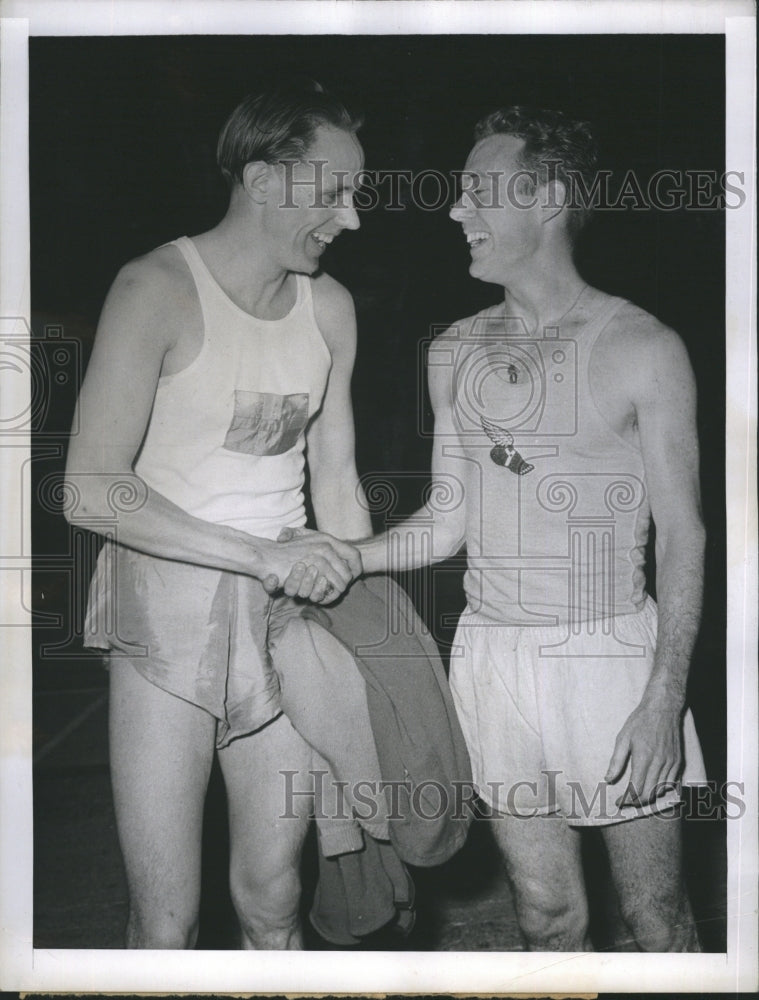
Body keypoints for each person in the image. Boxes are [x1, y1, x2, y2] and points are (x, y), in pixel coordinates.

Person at [354, 107, 707, 951]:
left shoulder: (642, 347)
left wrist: (663, 699)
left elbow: (684, 536)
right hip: (490, 656)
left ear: (546, 199)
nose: (455, 211)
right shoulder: (455, 350)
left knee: (655, 919)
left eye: (477, 191)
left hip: (608, 658)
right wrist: (345, 555)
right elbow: (446, 521)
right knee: (545, 915)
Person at [65, 81, 367, 949]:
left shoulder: (332, 309)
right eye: (335, 190)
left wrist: (366, 625)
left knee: (274, 901)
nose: (350, 219)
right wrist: (252, 554)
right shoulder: (154, 286)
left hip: (282, 625)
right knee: (167, 921)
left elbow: (338, 489)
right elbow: (91, 486)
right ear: (267, 180)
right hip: (165, 620)